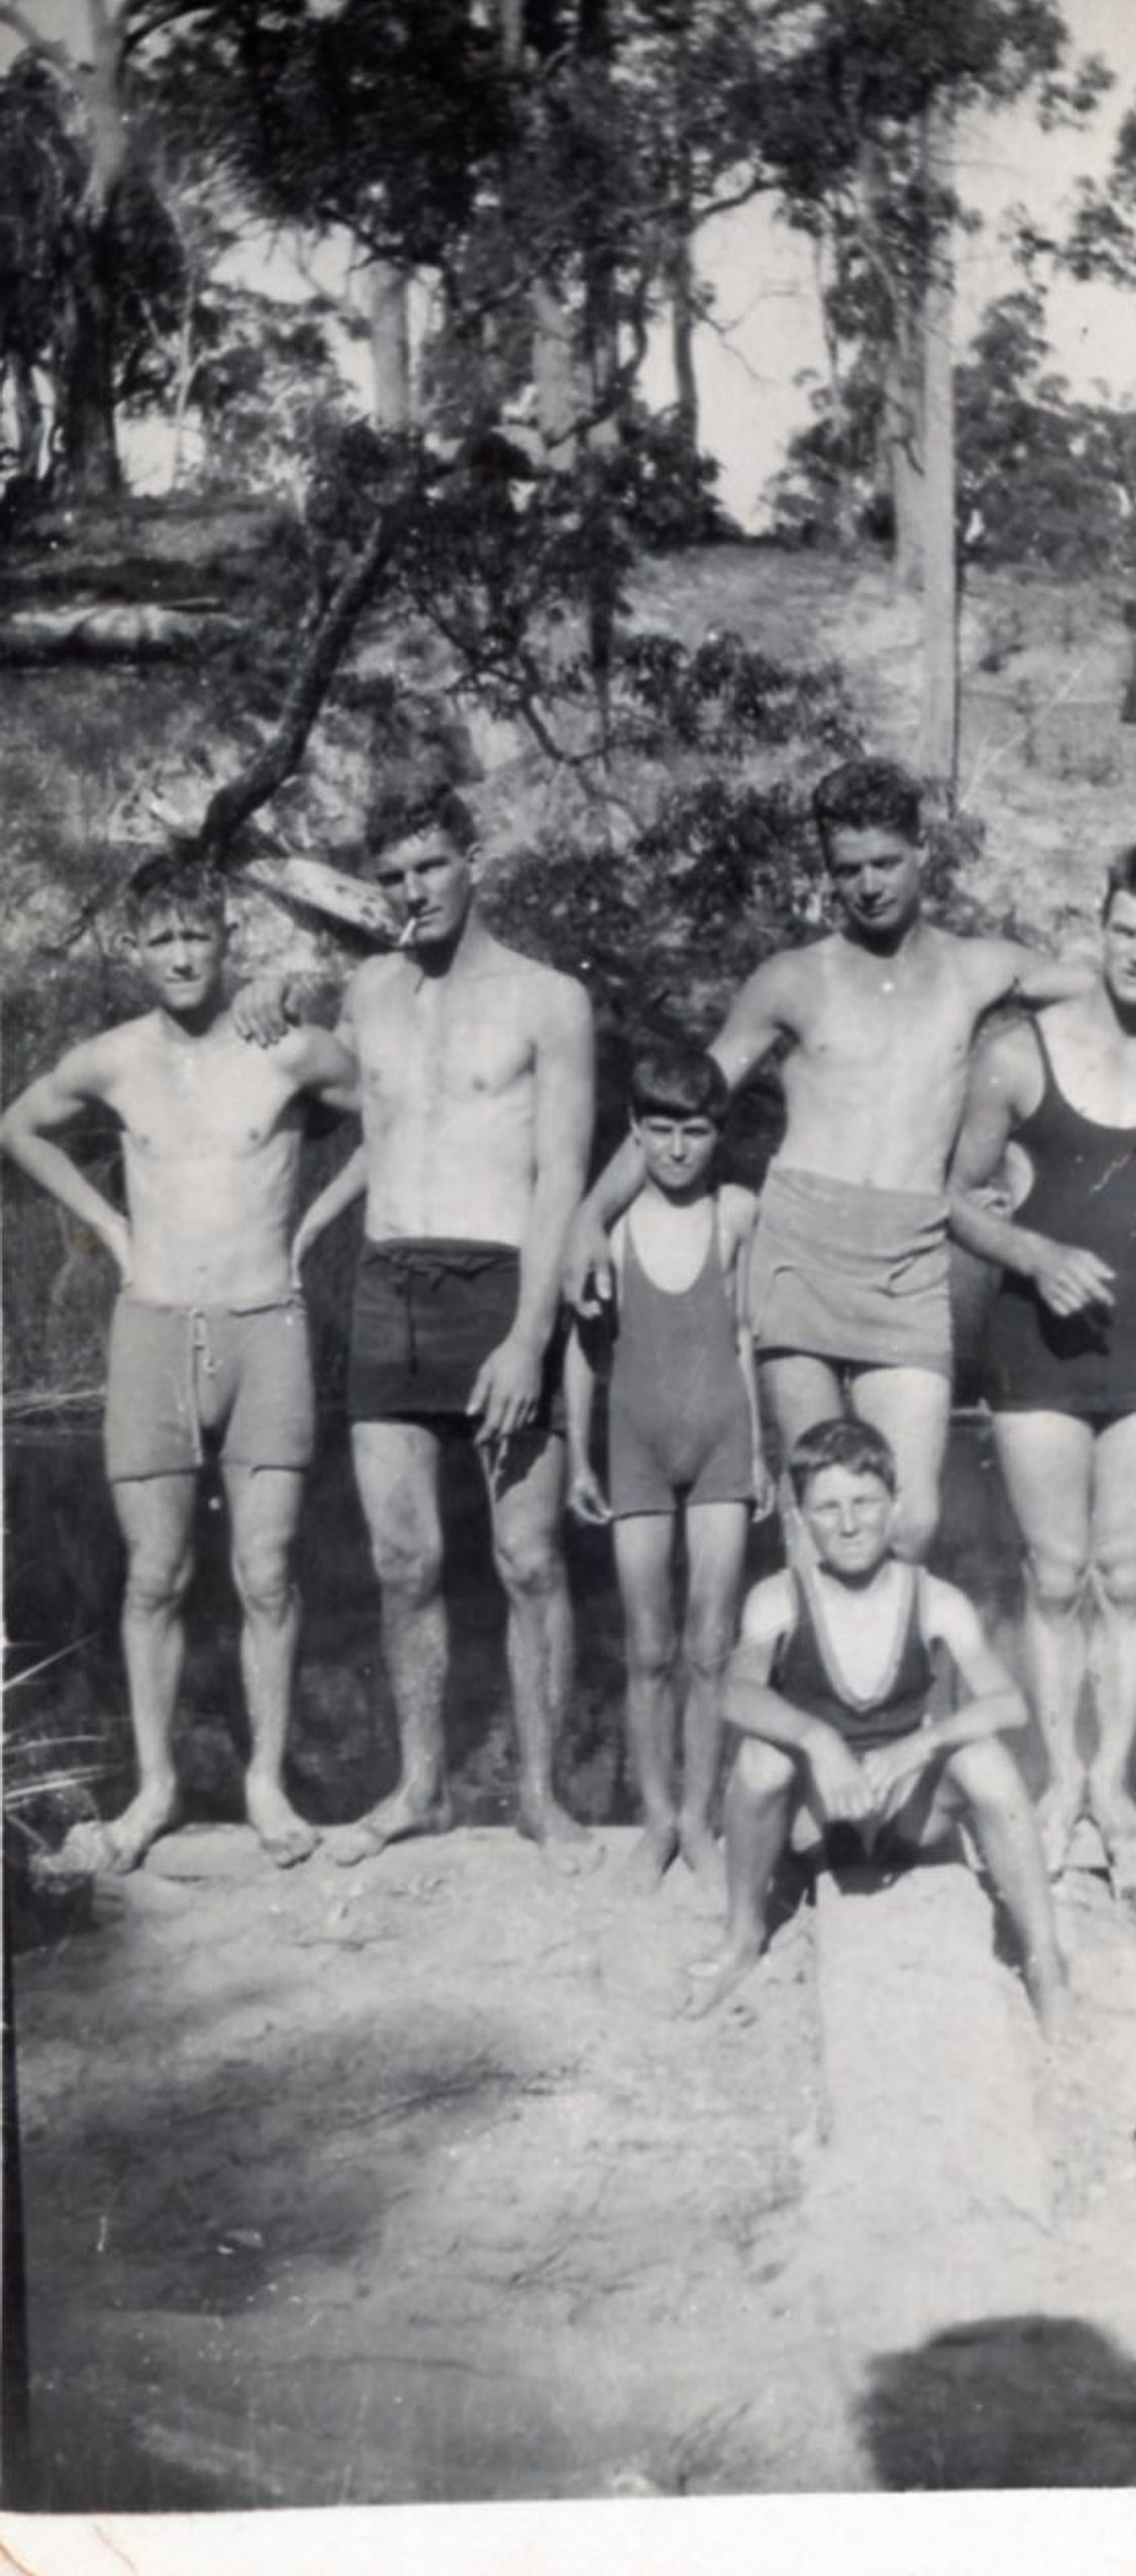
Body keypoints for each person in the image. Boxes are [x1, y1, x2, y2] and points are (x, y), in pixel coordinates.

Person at [567, 758, 1136, 1563]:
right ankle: (813, 1683)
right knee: (814, 1508)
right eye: (846, 869)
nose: (866, 885)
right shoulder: (792, 978)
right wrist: (590, 1214)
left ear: (921, 850)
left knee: (912, 1518)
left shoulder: (979, 967)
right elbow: (681, 1100)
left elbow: (1117, 990)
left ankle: (905, 1688)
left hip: (911, 1257)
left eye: (884, 862)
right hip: (800, 1253)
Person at [0, 854, 359, 1872]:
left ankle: (267, 1784)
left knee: (267, 1571)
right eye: (160, 937)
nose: (181, 954)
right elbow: (18, 1125)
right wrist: (110, 1228)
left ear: (226, 937)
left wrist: (315, 1230)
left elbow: (393, 1110)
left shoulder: (285, 1046)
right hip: (154, 1323)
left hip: (266, 1324)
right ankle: (153, 1787)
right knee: (155, 1573)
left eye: (196, 933)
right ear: (135, 950)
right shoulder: (114, 1059)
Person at [283, 783, 597, 1868]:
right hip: (388, 1287)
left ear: (475, 858)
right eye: (394, 875)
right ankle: (419, 1788)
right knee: (402, 1556)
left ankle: (544, 1796)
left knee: (526, 1555)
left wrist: (527, 1332)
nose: (412, 892)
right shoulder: (368, 988)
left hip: (500, 1282)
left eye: (430, 866)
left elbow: (562, 1174)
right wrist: (272, 999)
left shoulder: (549, 999)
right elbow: (352, 1107)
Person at [947, 838, 1136, 1870]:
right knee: (1055, 1572)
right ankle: (1058, 1772)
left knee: (1126, 1569)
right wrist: (1033, 1249)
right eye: (1122, 930)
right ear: (1097, 924)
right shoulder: (1021, 1051)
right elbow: (953, 1197)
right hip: (1035, 1342)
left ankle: (1110, 1779)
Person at [698, 1417, 1068, 2042]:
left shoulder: (935, 1598)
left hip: (907, 1814)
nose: (848, 1524)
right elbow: (734, 1694)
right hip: (818, 1820)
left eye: (865, 1504)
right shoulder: (778, 1597)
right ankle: (741, 1938)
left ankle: (1045, 1962)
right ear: (800, 1520)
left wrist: (922, 1744)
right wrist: (819, 1742)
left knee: (986, 1761)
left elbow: (1009, 1704)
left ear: (896, 1509)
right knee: (764, 1760)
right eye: (828, 1508)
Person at [563, 1043, 772, 1897]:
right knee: (647, 1646)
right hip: (636, 1445)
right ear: (634, 1131)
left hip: (721, 1437)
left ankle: (698, 1817)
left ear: (716, 1133)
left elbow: (747, 1337)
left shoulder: (736, 1214)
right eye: (660, 1131)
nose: (678, 1149)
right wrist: (578, 1453)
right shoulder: (608, 1230)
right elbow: (583, 1352)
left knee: (711, 1645)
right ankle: (654, 1817)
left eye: (694, 1131)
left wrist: (759, 1450)